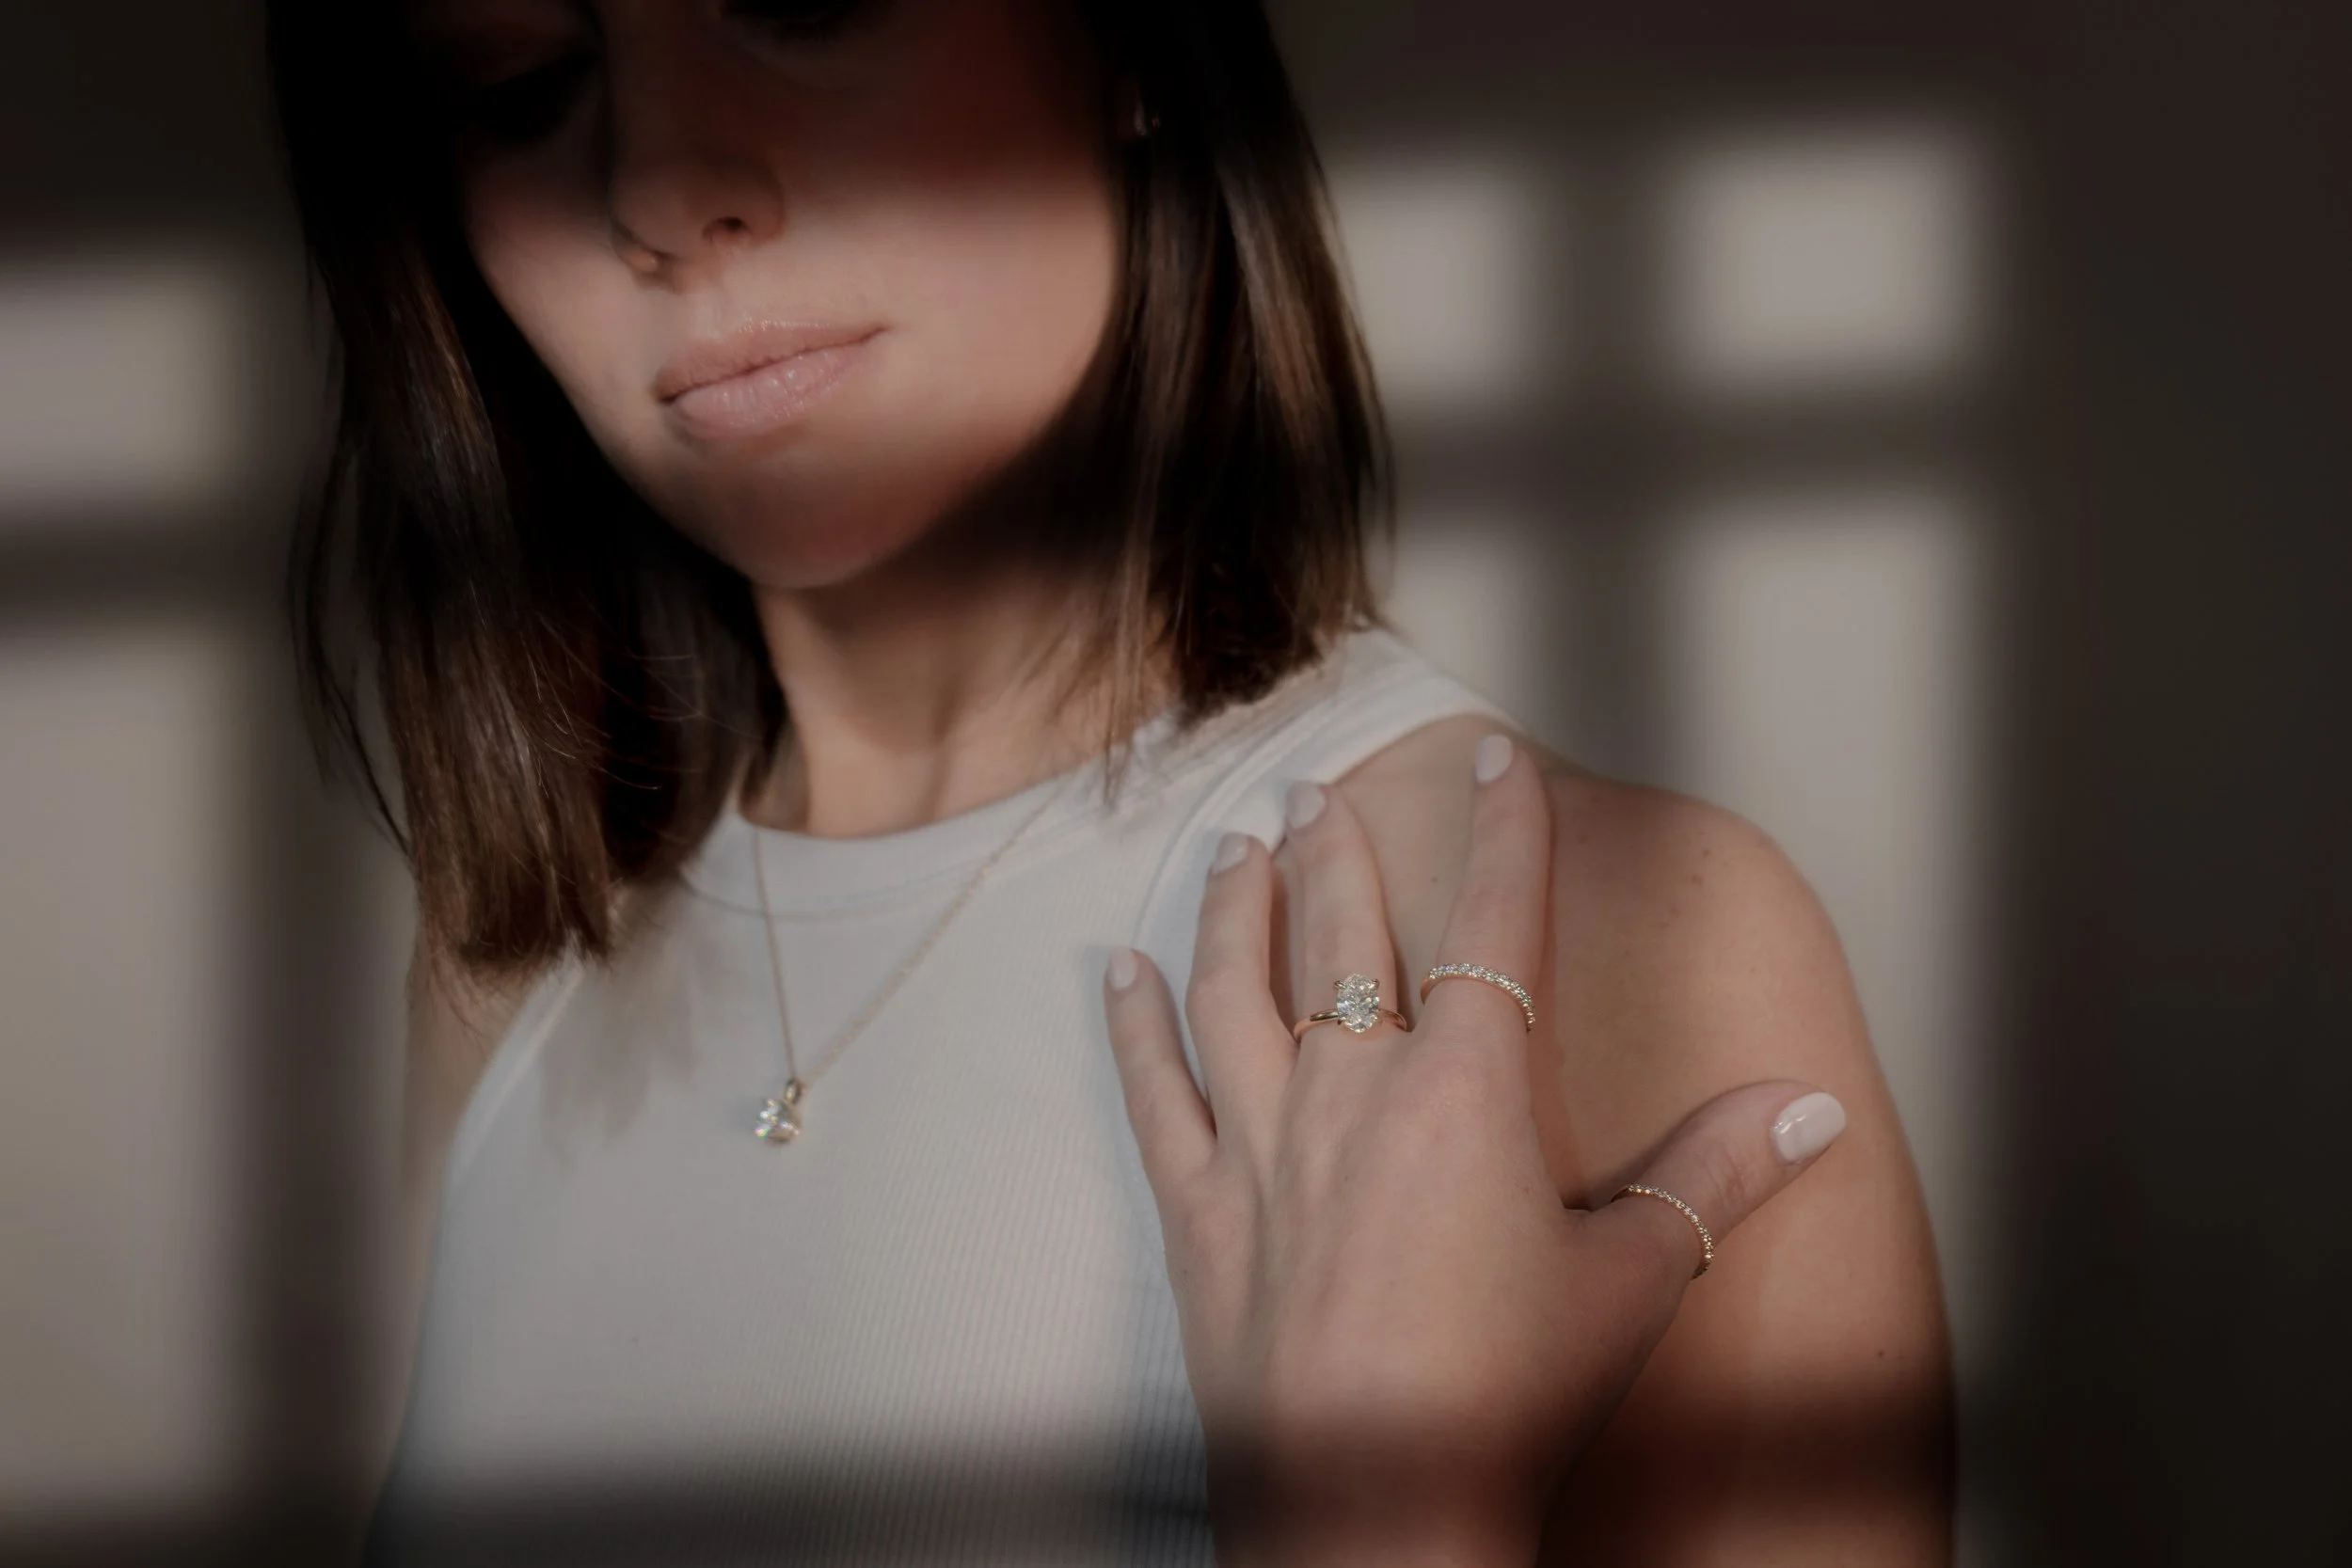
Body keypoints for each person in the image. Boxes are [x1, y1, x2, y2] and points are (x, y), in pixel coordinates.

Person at [268, 0, 1954, 1561]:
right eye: (517, 85)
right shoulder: (517, 976)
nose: (658, 186)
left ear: (1133, 35)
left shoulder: (1617, 946)